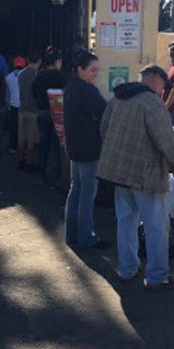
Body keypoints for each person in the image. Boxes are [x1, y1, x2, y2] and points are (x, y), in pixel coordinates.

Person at [98, 65, 174, 290]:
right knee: (155, 226)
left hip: (117, 171)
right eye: (164, 86)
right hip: (144, 174)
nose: (163, 92)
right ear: (155, 79)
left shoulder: (118, 97)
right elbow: (166, 141)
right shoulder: (152, 102)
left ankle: (127, 269)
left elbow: (103, 129)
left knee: (125, 222)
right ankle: (156, 277)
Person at [64, 50, 108, 249]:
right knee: (86, 194)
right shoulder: (87, 91)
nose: (95, 74)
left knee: (76, 190)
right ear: (81, 69)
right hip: (89, 148)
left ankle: (71, 234)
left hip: (74, 146)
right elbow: (105, 112)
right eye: (92, 70)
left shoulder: (71, 86)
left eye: (97, 70)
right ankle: (86, 237)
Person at [31, 47, 67, 186]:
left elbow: (33, 93)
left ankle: (41, 175)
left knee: (43, 145)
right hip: (58, 116)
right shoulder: (61, 77)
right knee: (58, 146)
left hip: (42, 113)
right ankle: (58, 176)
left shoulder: (39, 76)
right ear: (57, 61)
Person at [18, 51, 42, 171]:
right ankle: (29, 163)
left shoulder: (21, 74)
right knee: (31, 138)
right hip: (33, 109)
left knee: (22, 137)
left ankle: (21, 160)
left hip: (22, 108)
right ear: (39, 61)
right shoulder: (38, 75)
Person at [5, 56, 26, 153]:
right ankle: (24, 147)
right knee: (25, 127)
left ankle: (13, 147)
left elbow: (7, 94)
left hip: (13, 106)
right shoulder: (27, 76)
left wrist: (7, 106)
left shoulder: (8, 77)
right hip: (24, 105)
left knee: (14, 128)